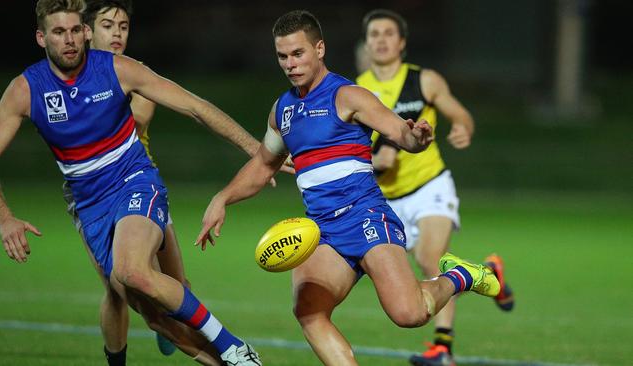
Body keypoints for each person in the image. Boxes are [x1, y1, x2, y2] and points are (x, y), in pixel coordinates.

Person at [198, 10, 500, 366]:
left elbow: (399, 132)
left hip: (365, 216)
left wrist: (416, 138)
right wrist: (223, 198)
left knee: (409, 314)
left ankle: (461, 275)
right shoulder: (283, 111)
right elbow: (264, 164)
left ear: (320, 49)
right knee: (309, 310)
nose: (290, 64)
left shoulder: (348, 96)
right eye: (283, 56)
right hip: (323, 231)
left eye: (298, 53)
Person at [0, 1, 262, 365]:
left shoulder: (119, 70)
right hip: (88, 204)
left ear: (84, 32)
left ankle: (232, 346)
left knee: (133, 271)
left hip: (134, 181)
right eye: (57, 32)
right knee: (154, 316)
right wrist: (4, 217)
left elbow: (195, 106)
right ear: (41, 37)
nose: (68, 40)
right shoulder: (26, 89)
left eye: (74, 30)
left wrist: (259, 150)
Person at [356, 9, 515, 366]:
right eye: (374, 34)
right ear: (366, 44)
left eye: (388, 33)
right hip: (387, 200)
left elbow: (459, 113)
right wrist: (372, 159)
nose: (380, 39)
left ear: (402, 43)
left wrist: (463, 127)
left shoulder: (424, 80)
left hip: (430, 186)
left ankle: (443, 349)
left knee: (431, 260)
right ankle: (490, 276)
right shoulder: (355, 90)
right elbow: (350, 147)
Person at [59, 0, 190, 360]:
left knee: (176, 285)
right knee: (115, 288)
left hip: (139, 185)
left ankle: (176, 324)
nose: (117, 33)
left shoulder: (136, 73)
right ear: (87, 31)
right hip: (92, 195)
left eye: (123, 26)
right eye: (107, 25)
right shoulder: (64, 78)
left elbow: (138, 117)